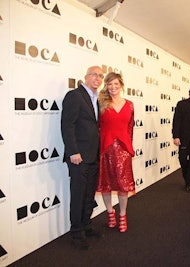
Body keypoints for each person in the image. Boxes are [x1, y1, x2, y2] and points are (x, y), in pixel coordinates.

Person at [61, 66, 104, 250]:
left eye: (101, 75)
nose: (98, 78)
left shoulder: (97, 99)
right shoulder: (74, 95)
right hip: (79, 157)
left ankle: (86, 225)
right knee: (78, 195)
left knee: (88, 195)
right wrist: (73, 151)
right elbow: (67, 125)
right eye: (94, 74)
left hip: (93, 156)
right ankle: (76, 233)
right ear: (85, 77)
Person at [97, 72, 135, 233]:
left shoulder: (130, 104)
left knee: (123, 186)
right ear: (106, 86)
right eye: (109, 84)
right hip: (105, 148)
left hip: (123, 150)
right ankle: (110, 213)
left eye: (116, 84)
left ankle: (123, 215)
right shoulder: (100, 103)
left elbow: (130, 127)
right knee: (105, 185)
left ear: (121, 86)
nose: (112, 87)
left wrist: (128, 147)